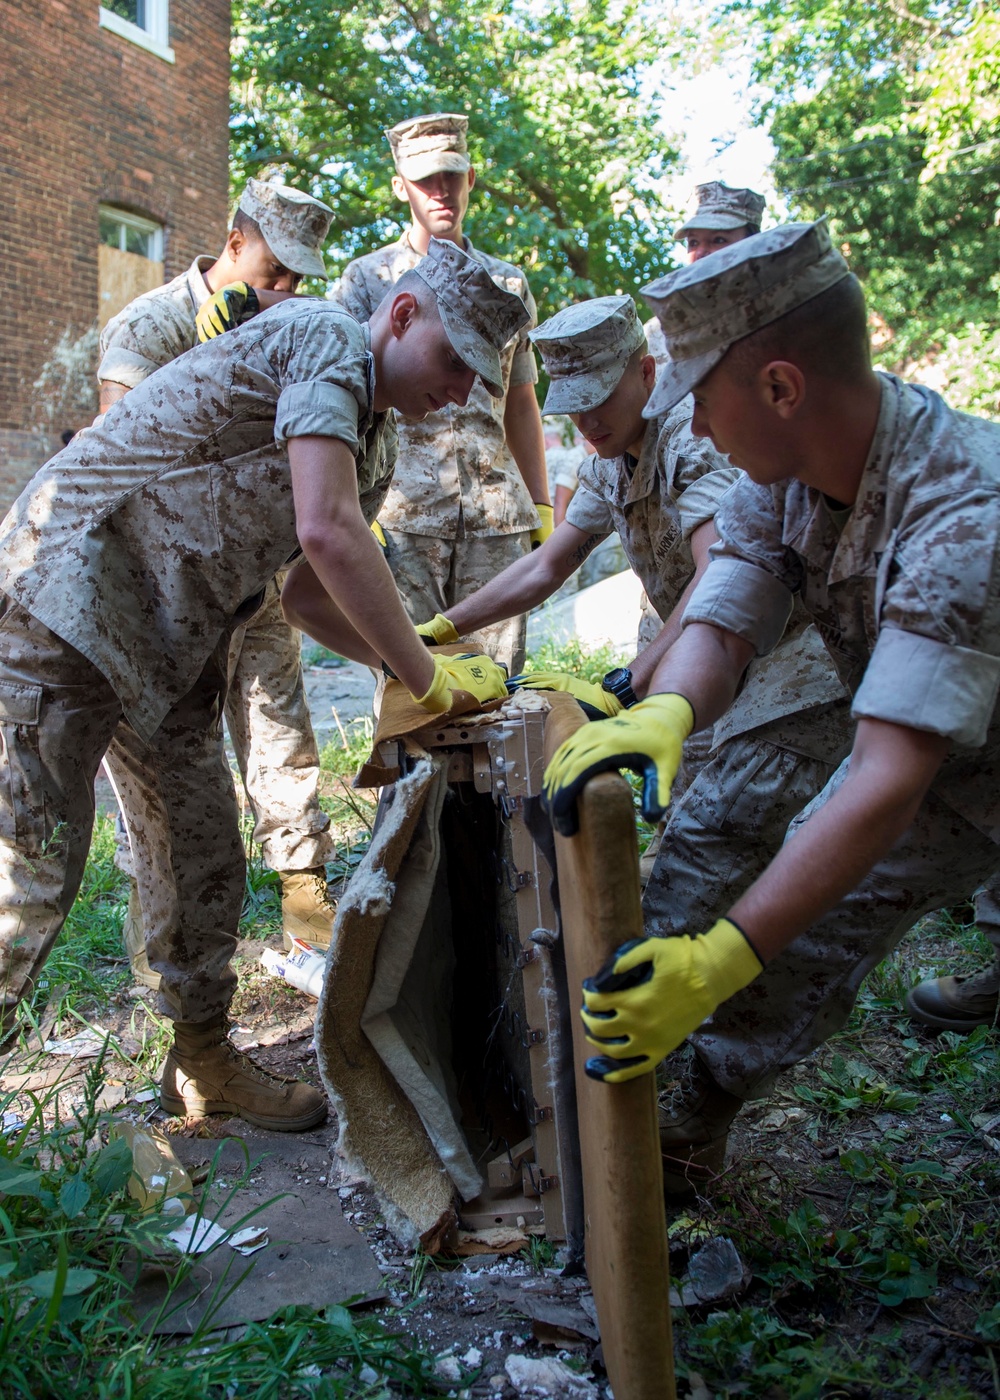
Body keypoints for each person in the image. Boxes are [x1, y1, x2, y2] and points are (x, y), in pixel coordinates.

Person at [0, 238, 525, 1133]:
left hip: (165, 646)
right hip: (70, 601)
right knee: (29, 872)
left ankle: (201, 1060)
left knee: (203, 850)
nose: (464, 391)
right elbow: (326, 531)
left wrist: (414, 646)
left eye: (483, 375)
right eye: (454, 359)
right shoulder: (325, 337)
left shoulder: (375, 437)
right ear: (402, 315)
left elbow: (312, 592)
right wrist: (422, 674)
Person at [542, 221, 1000, 1181]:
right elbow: (731, 610)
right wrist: (669, 709)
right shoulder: (787, 472)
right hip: (949, 757)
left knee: (799, 926)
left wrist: (720, 956)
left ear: (782, 387)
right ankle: (687, 1132)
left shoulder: (965, 521)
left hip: (968, 773)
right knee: (787, 921)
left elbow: (883, 783)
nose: (695, 427)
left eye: (702, 399)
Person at [98, 180, 342, 969]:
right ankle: (165, 959)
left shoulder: (286, 324)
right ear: (234, 243)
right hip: (168, 596)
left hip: (254, 577)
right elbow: (119, 457)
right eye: (272, 272)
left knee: (282, 738)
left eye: (298, 281)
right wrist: (206, 361)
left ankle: (307, 912)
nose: (283, 293)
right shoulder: (152, 323)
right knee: (174, 785)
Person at [330, 113, 552, 676]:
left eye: (452, 177)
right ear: (399, 185)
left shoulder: (507, 286)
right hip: (400, 516)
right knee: (409, 681)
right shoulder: (368, 280)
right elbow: (344, 396)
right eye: (425, 179)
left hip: (495, 517)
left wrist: (543, 503)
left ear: (471, 179)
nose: (440, 191)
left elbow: (521, 401)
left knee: (498, 687)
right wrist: (357, 503)